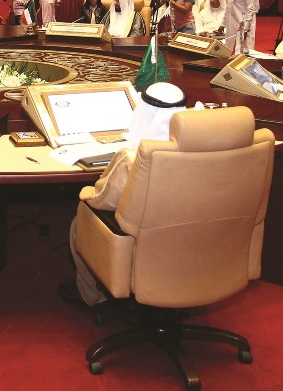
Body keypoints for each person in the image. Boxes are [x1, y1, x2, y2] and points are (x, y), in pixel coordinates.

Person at [61, 82, 188, 306]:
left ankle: (94, 298)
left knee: (79, 221)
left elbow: (101, 201)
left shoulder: (131, 159)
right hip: (196, 237)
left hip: (141, 241)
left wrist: (87, 193)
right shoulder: (216, 147)